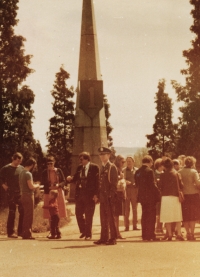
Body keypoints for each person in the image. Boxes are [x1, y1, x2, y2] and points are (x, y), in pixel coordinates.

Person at [67, 152, 99, 239]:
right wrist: (70, 179)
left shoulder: (94, 167)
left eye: (81, 159)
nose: (80, 161)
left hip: (89, 195)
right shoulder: (80, 168)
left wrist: (96, 194)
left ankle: (88, 234)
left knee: (89, 215)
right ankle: (84, 231)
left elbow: (97, 182)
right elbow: (75, 178)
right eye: (79, 159)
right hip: (80, 194)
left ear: (87, 159)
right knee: (78, 214)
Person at [93, 147, 118, 245]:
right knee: (103, 218)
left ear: (109, 155)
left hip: (109, 197)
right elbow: (100, 183)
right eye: (100, 155)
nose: (101, 156)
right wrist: (98, 196)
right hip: (103, 197)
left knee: (110, 218)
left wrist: (111, 196)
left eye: (104, 154)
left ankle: (113, 238)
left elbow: (114, 184)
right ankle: (104, 238)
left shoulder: (112, 167)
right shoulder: (102, 167)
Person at [135, 155, 160, 241]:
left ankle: (144, 235)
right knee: (151, 217)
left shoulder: (137, 171)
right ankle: (151, 235)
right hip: (150, 197)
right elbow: (153, 185)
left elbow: (137, 184)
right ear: (150, 162)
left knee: (144, 215)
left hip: (142, 197)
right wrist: (158, 194)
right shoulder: (149, 171)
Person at [41, 156, 67, 238]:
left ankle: (57, 229)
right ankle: (51, 231)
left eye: (51, 163)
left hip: (58, 192)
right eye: (48, 164)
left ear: (54, 162)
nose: (50, 165)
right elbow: (43, 182)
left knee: (57, 211)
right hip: (49, 193)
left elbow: (64, 180)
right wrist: (48, 186)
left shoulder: (58, 170)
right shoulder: (45, 172)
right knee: (50, 212)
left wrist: (59, 185)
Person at [159, 158, 184, 241]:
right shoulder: (176, 174)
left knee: (167, 217)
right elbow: (181, 185)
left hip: (165, 197)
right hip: (175, 196)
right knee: (177, 216)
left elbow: (160, 187)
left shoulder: (162, 175)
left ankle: (169, 234)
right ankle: (179, 234)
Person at [0, 152, 24, 238]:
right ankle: (10, 232)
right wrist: (3, 185)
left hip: (20, 192)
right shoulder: (6, 168)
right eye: (17, 160)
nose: (19, 163)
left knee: (22, 211)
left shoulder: (21, 168)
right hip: (10, 193)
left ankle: (20, 231)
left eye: (20, 161)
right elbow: (1, 178)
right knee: (12, 211)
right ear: (13, 159)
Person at [178, 156, 200, 240]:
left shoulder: (180, 171)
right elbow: (198, 183)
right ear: (193, 163)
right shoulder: (194, 171)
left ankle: (188, 233)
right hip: (193, 195)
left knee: (186, 215)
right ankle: (192, 233)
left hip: (184, 195)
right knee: (193, 216)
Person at [19, 158, 40, 240]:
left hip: (23, 195)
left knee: (25, 215)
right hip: (28, 195)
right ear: (32, 165)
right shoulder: (28, 174)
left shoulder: (21, 172)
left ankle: (25, 232)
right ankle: (27, 233)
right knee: (29, 215)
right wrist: (37, 185)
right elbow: (31, 187)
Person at [123, 156, 139, 231]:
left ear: (133, 162)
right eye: (127, 161)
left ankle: (135, 225)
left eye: (130, 161)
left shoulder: (137, 170)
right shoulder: (124, 170)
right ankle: (126, 226)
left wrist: (136, 183)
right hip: (126, 191)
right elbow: (121, 180)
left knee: (135, 209)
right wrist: (125, 182)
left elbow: (139, 180)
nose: (128, 162)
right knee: (126, 209)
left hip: (134, 191)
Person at [114, 155, 126, 239]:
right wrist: (120, 177)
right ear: (118, 161)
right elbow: (113, 179)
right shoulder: (115, 168)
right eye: (122, 162)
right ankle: (116, 232)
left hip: (120, 193)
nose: (123, 163)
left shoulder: (120, 169)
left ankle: (117, 232)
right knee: (115, 214)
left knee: (117, 214)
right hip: (116, 194)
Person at [154, 158, 164, 234]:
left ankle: (161, 227)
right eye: (161, 165)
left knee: (162, 211)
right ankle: (158, 227)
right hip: (157, 195)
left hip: (163, 195)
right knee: (157, 212)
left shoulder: (164, 173)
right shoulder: (154, 174)